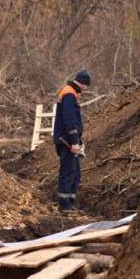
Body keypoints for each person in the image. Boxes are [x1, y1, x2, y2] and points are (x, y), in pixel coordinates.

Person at [53, 70, 91, 213]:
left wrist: (78, 141)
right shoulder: (69, 94)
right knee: (68, 171)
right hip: (66, 141)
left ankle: (70, 202)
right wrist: (75, 142)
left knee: (74, 172)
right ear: (83, 83)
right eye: (86, 86)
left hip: (67, 140)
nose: (85, 89)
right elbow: (70, 120)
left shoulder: (70, 92)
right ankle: (64, 204)